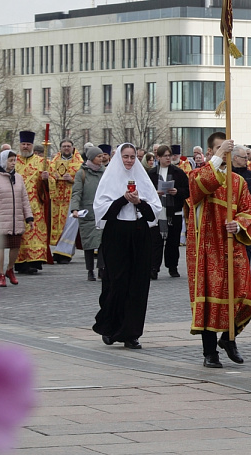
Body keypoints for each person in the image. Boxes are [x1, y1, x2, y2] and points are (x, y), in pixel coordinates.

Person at [189, 133, 251, 367]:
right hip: (207, 249)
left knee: (242, 294)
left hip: (231, 245)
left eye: (227, 149)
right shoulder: (198, 175)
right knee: (210, 299)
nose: (225, 152)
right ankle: (210, 353)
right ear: (210, 152)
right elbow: (202, 186)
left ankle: (229, 337)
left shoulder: (238, 181)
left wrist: (238, 224)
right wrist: (218, 155)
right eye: (219, 148)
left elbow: (248, 209)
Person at [91, 144, 159, 349]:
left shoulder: (142, 179)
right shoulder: (109, 179)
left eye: (132, 157)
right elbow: (102, 211)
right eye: (125, 157)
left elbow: (153, 213)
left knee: (138, 285)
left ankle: (131, 333)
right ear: (118, 158)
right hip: (116, 235)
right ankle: (111, 327)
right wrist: (123, 199)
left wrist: (138, 202)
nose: (129, 160)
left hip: (139, 235)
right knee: (116, 282)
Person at [0, 149, 33, 287]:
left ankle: (10, 269)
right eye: (10, 160)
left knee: (15, 247)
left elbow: (24, 199)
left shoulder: (18, 178)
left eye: (14, 161)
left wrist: (29, 217)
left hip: (16, 219)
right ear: (3, 161)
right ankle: (1, 274)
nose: (13, 163)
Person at [151, 145, 189, 279]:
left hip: (174, 211)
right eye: (165, 156)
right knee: (156, 242)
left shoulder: (178, 172)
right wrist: (155, 193)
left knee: (173, 242)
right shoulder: (151, 173)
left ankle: (173, 267)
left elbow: (188, 190)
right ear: (158, 157)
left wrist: (177, 191)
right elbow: (146, 191)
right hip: (158, 212)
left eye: (169, 155)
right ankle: (154, 268)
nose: (168, 158)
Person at [14, 132, 50, 273]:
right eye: (23, 144)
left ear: (32, 146)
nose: (25, 146)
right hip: (18, 204)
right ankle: (21, 263)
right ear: (20, 145)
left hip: (35, 203)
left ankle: (34, 262)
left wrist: (46, 179)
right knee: (20, 233)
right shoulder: (14, 161)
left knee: (34, 230)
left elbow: (51, 184)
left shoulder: (42, 162)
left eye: (28, 144)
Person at [70, 144, 107, 281]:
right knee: (89, 244)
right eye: (98, 156)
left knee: (102, 242)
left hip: (102, 212)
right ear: (91, 158)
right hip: (87, 213)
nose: (101, 158)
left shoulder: (105, 172)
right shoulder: (82, 173)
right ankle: (90, 270)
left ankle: (101, 269)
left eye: (102, 156)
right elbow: (76, 192)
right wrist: (75, 209)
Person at [47, 139, 82, 264]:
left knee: (70, 224)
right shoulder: (53, 162)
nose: (66, 148)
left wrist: (72, 179)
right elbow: (49, 176)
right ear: (60, 148)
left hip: (72, 198)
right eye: (64, 146)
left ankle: (64, 253)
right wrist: (53, 178)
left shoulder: (79, 163)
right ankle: (61, 252)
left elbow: (83, 180)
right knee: (58, 225)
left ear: (73, 148)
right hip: (57, 199)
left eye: (68, 146)